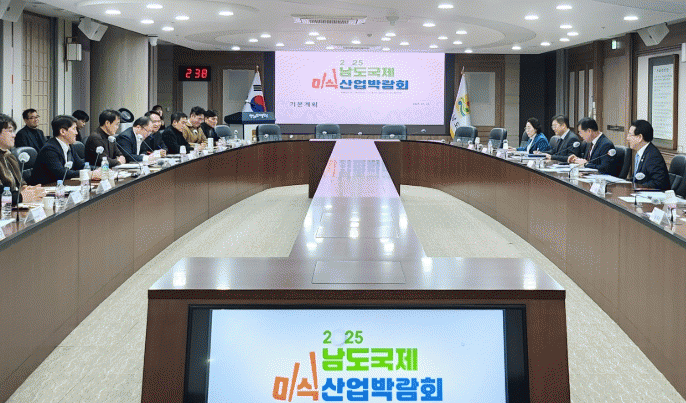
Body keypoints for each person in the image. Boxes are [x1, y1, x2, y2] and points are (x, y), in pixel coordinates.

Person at [28, 115, 101, 186]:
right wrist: (88, 173)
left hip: (62, 186)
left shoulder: (69, 145)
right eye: (74, 129)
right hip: (45, 188)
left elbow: (80, 165)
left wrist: (98, 169)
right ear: (63, 131)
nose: (76, 133)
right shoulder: (49, 149)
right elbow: (61, 173)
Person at [0, 114, 45, 204]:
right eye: (10, 131)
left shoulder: (9, 156)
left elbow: (17, 185)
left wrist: (26, 189)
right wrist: (20, 197)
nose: (14, 135)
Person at [627, 119, 670, 190]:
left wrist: (638, 188)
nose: (627, 138)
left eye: (630, 135)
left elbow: (658, 182)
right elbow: (636, 178)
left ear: (640, 137)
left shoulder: (653, 156)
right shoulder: (640, 153)